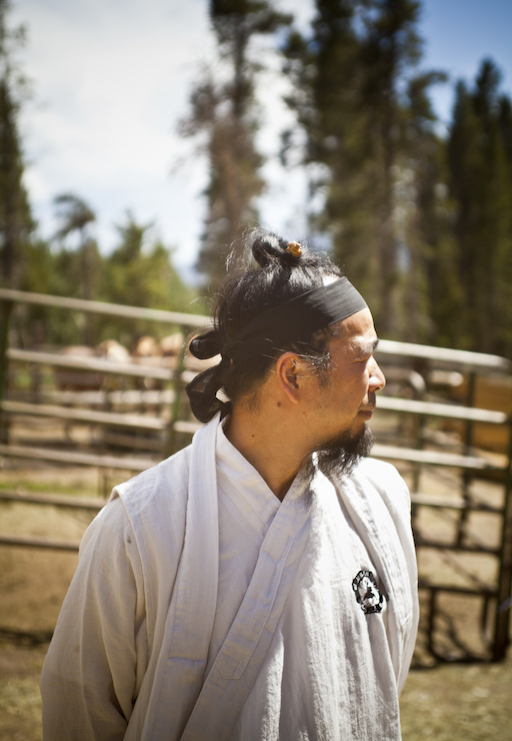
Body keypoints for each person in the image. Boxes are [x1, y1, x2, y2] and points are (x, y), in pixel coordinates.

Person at [40, 230, 419, 741]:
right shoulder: (137, 532)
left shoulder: (380, 501)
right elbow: (80, 717)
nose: (379, 378)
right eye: (362, 358)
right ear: (293, 375)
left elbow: (383, 683)